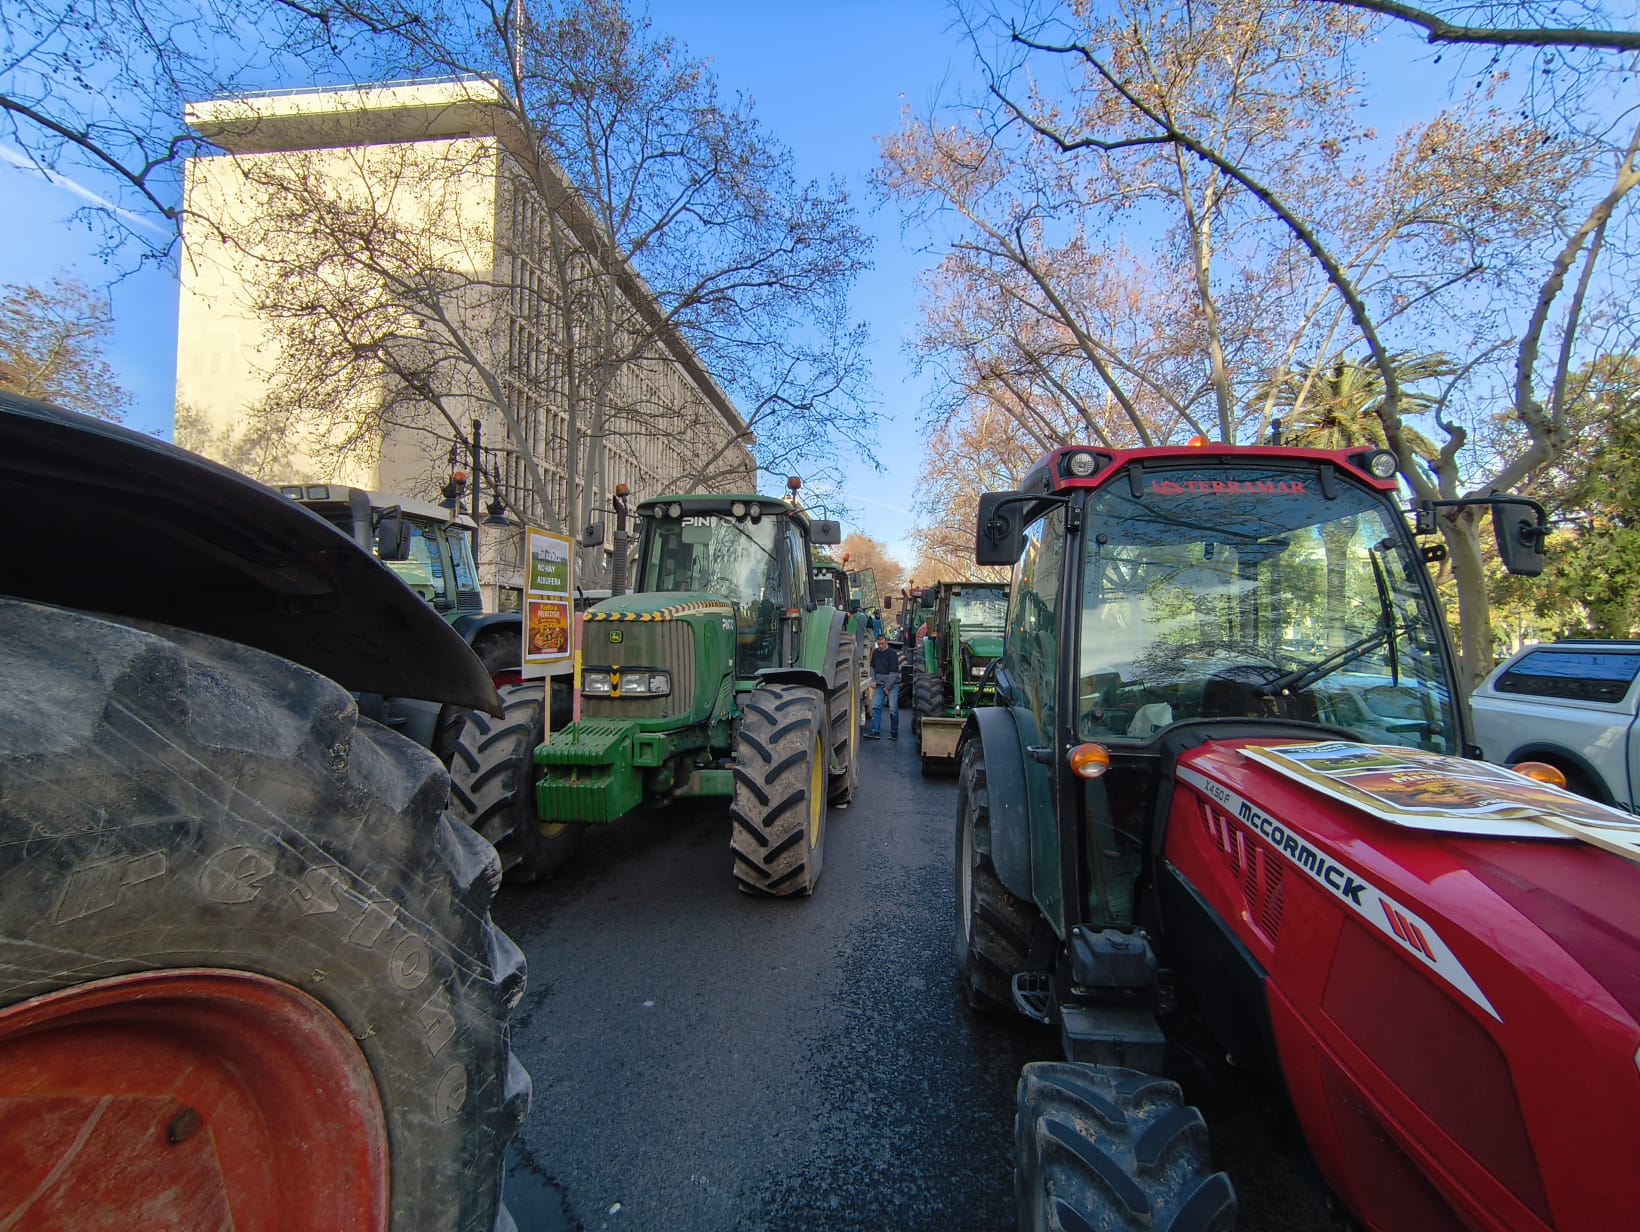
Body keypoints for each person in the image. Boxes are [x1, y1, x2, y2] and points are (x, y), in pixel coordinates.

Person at [865, 633, 900, 740]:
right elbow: (872, 668)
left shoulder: (892, 653)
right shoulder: (876, 652)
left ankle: (894, 732)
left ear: (886, 642)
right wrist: (873, 680)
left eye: (882, 643)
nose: (880, 646)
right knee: (876, 707)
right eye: (879, 644)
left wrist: (887, 687)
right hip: (880, 685)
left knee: (893, 709)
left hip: (892, 685)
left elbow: (894, 673)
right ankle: (875, 732)